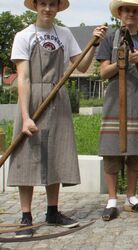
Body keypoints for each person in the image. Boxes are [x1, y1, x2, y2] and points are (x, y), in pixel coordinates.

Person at [8, 0, 107, 237]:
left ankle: (53, 212)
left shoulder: (64, 34)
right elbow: (23, 78)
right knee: (27, 155)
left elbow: (82, 66)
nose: (47, 8)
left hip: (58, 96)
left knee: (56, 153)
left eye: (52, 3)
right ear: (35, 6)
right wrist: (25, 117)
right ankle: (25, 217)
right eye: (43, 3)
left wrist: (94, 42)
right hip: (32, 98)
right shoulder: (23, 36)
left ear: (58, 7)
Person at [96, 0, 138, 221]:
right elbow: (103, 72)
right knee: (111, 151)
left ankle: (131, 198)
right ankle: (112, 200)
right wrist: (122, 63)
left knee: (136, 151)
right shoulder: (108, 39)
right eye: (127, 10)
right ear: (120, 13)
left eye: (135, 10)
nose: (131, 14)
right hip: (115, 101)